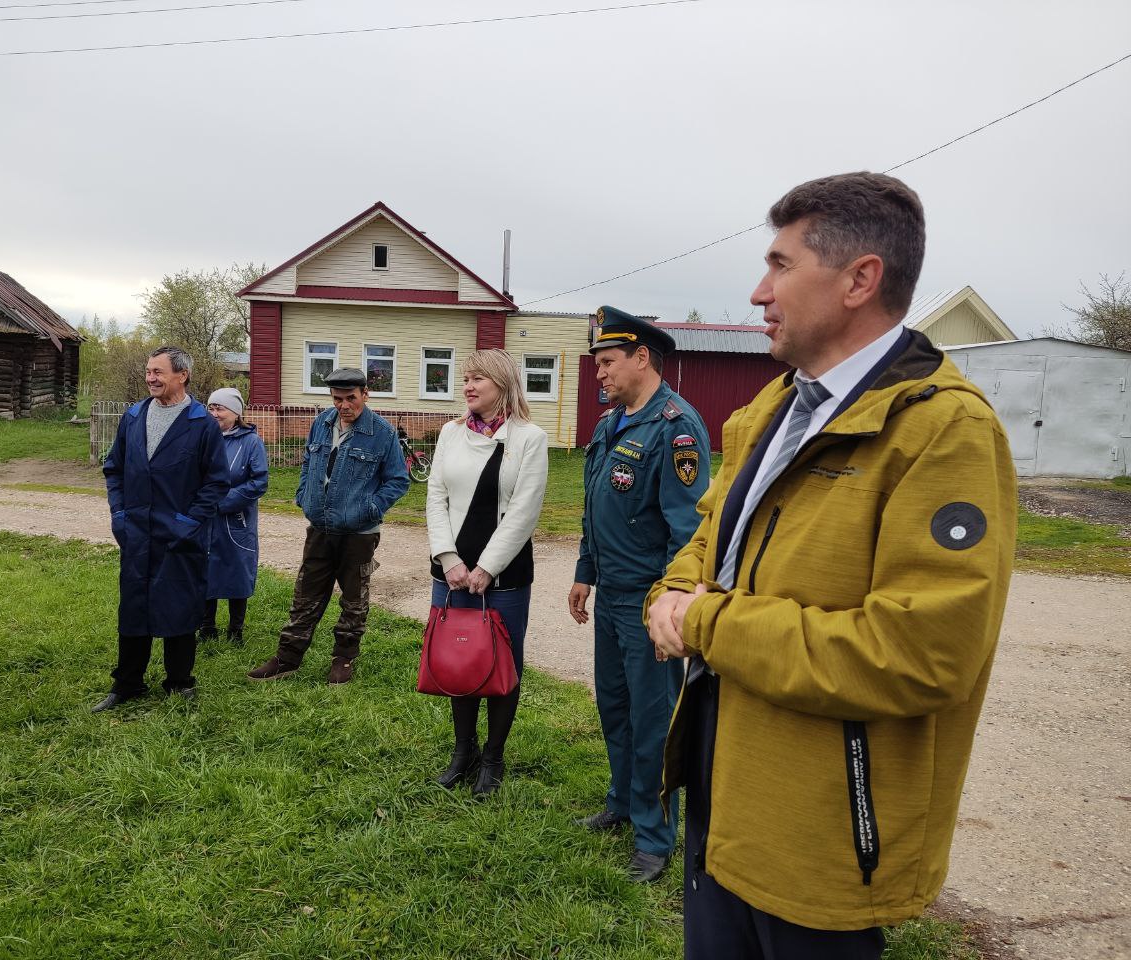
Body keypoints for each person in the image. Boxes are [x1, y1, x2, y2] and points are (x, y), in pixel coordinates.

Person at [645, 172, 1016, 958]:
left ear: (859, 280)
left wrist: (703, 618)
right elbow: (710, 536)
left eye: (781, 265)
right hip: (725, 780)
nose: (757, 291)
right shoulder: (772, 410)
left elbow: (920, 653)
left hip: (822, 825)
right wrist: (674, 590)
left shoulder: (942, 432)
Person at [568, 307, 710, 882]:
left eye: (607, 363)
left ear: (641, 358)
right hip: (609, 596)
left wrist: (668, 609)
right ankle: (623, 803)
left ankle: (655, 837)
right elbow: (593, 507)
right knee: (615, 708)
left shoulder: (676, 427)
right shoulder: (612, 424)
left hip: (646, 601)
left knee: (654, 720)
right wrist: (583, 571)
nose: (598, 374)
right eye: (597, 364)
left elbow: (689, 530)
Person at [426, 349, 549, 795]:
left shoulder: (529, 438)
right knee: (459, 658)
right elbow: (435, 497)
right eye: (466, 379)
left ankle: (493, 758)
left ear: (502, 383)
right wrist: (449, 558)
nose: (468, 386)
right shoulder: (450, 433)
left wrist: (487, 567)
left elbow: (524, 510)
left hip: (506, 574)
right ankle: (464, 752)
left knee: (501, 662)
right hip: (452, 573)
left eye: (479, 378)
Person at [247, 367, 409, 685]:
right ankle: (287, 658)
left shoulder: (383, 433)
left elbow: (397, 480)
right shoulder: (321, 423)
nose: (344, 405)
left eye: (351, 398)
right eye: (338, 398)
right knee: (305, 595)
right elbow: (309, 462)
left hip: (359, 533)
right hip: (320, 526)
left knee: (353, 599)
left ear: (365, 394)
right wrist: (303, 495)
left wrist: (371, 508)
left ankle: (343, 659)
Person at [92, 345, 229, 712]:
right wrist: (119, 514)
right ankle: (127, 684)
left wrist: (189, 523)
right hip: (136, 530)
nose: (151, 378)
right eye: (149, 371)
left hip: (181, 534)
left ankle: (179, 682)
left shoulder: (201, 423)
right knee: (134, 605)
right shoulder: (134, 416)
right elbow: (114, 470)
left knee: (180, 606)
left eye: (158, 372)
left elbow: (216, 483)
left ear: (181, 376)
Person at [200, 387, 269, 647]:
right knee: (205, 569)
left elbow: (258, 481)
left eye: (220, 408)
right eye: (211, 407)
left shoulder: (251, 442)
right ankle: (206, 627)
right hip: (205, 518)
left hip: (235, 519)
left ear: (235, 413)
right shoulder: (204, 438)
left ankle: (235, 630)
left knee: (237, 570)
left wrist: (223, 502)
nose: (214, 413)